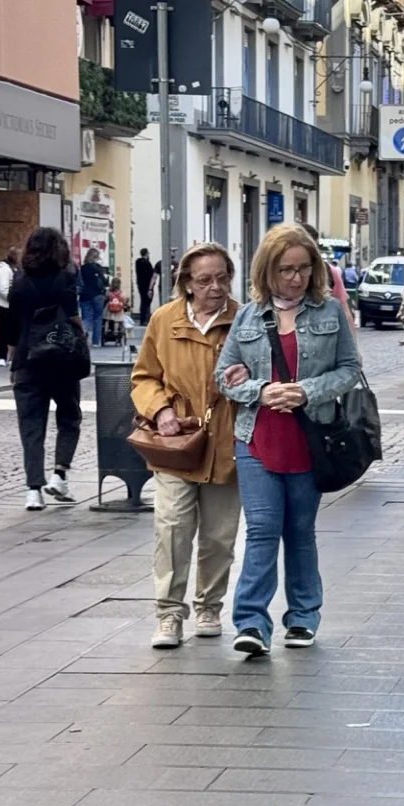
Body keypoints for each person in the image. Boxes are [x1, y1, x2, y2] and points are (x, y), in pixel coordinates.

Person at [216, 223, 361, 657]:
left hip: (309, 436)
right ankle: (251, 623)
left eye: (302, 268)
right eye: (285, 270)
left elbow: (350, 369)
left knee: (299, 531)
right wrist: (258, 390)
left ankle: (302, 616)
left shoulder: (328, 312)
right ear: (267, 271)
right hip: (257, 438)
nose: (295, 278)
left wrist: (305, 391)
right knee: (261, 530)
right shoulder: (247, 315)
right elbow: (223, 377)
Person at [131, 243, 241, 650]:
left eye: (222, 278)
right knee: (173, 527)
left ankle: (209, 606)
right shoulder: (164, 320)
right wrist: (159, 410)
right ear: (187, 285)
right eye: (205, 280)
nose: (216, 287)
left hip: (226, 443)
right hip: (176, 442)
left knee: (219, 534)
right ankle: (169, 615)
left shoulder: (243, 318)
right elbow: (144, 377)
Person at [8, 229, 85, 511]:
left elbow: (12, 327)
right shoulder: (65, 276)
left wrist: (13, 359)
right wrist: (81, 337)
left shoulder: (19, 280)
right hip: (61, 360)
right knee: (69, 417)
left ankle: (33, 491)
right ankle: (59, 474)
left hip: (27, 361)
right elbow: (73, 314)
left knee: (31, 428)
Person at [0, 247, 19, 366]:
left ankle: (10, 356)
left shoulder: (13, 268)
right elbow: (2, 289)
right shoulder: (4, 270)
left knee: (12, 330)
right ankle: (2, 356)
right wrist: (13, 299)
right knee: (5, 330)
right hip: (4, 304)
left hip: (10, 304)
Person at [135, 248, 158, 325]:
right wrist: (150, 287)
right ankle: (146, 319)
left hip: (140, 285)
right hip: (147, 285)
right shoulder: (147, 263)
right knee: (147, 302)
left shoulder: (137, 262)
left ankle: (142, 319)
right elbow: (151, 274)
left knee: (143, 302)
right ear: (146, 254)